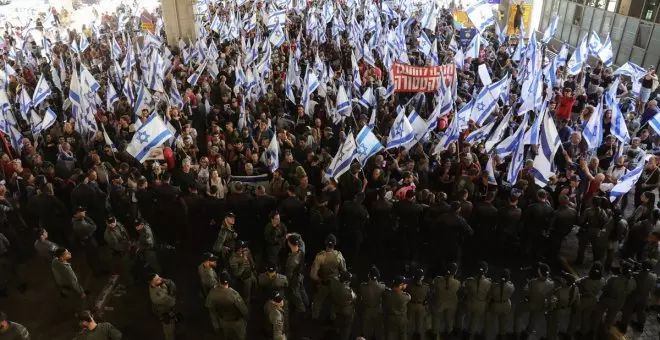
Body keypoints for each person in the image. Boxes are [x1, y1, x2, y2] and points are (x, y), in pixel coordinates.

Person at [310, 234, 346, 320]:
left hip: (324, 282)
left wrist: (319, 280)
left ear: (325, 243)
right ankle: (333, 317)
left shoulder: (320, 257)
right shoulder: (338, 256)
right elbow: (344, 271)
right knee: (334, 301)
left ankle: (314, 317)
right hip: (335, 283)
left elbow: (313, 275)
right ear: (335, 244)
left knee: (318, 301)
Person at [513, 262, 554, 338]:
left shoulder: (533, 282)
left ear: (540, 273)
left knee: (518, 312)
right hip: (541, 305)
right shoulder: (551, 284)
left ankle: (516, 331)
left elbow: (526, 292)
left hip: (531, 303)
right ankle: (528, 332)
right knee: (534, 319)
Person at [596, 260, 637, 336]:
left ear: (622, 270)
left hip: (608, 300)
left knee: (599, 311)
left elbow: (605, 288)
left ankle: (595, 325)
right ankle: (605, 331)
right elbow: (632, 289)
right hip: (619, 303)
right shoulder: (632, 282)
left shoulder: (613, 279)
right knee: (610, 318)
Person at [618, 259, 657, 334]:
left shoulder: (636, 274)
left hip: (634, 296)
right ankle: (640, 326)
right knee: (641, 312)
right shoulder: (653, 277)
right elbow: (649, 274)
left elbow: (632, 277)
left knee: (627, 310)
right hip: (644, 297)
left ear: (642, 266)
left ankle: (623, 326)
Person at [206, 270, 248, 339]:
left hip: (224, 321)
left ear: (219, 281)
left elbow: (211, 310)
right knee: (241, 337)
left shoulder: (212, 293)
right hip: (237, 321)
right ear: (229, 281)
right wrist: (246, 318)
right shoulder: (234, 294)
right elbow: (244, 310)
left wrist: (216, 326)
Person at [458, 261, 491, 339]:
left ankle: (459, 329)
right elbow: (489, 296)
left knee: (460, 313)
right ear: (486, 270)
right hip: (480, 305)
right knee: (474, 321)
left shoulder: (468, 280)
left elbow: (462, 291)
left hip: (468, 303)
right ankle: (469, 335)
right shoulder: (489, 282)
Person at [575, 262, 606, 338]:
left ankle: (581, 331)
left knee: (580, 316)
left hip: (584, 301)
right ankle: (587, 331)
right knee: (587, 315)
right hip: (594, 301)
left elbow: (577, 282)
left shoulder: (586, 280)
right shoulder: (602, 280)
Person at [546, 272, 580, 340]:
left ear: (565, 281)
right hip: (568, 309)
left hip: (558, 311)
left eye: (563, 278)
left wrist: (548, 311)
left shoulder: (559, 291)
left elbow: (553, 303)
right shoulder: (576, 288)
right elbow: (577, 300)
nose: (561, 279)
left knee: (553, 326)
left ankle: (551, 338)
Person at [51, 248, 86, 313]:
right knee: (82, 298)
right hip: (70, 286)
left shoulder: (55, 261)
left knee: (71, 296)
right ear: (61, 258)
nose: (69, 253)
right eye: (67, 253)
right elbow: (74, 283)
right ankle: (81, 311)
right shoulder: (67, 270)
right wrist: (81, 292)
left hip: (62, 284)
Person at [431, 262, 461, 338]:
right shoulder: (457, 283)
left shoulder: (437, 280)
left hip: (439, 302)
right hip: (451, 304)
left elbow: (433, 291)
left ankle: (434, 334)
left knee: (436, 319)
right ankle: (449, 333)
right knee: (449, 319)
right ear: (455, 271)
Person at [71, 206, 102, 275]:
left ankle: (97, 268)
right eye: (81, 211)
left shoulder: (76, 219)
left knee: (91, 256)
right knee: (92, 256)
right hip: (89, 240)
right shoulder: (80, 225)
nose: (84, 212)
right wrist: (86, 217)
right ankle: (97, 272)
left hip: (86, 240)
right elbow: (94, 227)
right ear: (76, 214)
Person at [486, 268, 515, 339]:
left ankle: (487, 336)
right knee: (503, 322)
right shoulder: (511, 286)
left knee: (490, 321)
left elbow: (489, 294)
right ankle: (502, 336)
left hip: (496, 305)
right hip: (506, 305)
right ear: (509, 277)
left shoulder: (494, 286)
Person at [358, 265, 386, 340]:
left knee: (366, 332)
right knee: (379, 332)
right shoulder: (382, 286)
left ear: (368, 275)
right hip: (378, 311)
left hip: (367, 310)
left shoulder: (363, 286)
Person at [103, 216, 132, 285]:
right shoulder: (108, 235)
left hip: (125, 245)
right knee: (125, 266)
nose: (112, 224)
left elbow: (125, 233)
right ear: (106, 224)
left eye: (113, 222)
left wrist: (128, 241)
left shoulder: (118, 224)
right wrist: (126, 248)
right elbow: (117, 246)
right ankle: (130, 281)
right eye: (110, 223)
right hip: (120, 251)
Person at [148, 273, 177, 340]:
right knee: (169, 332)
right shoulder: (157, 296)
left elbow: (169, 282)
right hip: (166, 314)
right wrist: (172, 290)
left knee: (172, 328)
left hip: (168, 311)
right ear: (152, 282)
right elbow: (173, 302)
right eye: (157, 279)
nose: (161, 279)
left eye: (159, 277)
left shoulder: (157, 284)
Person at [285, 233, 308, 315]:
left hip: (295, 278)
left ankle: (302, 310)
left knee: (296, 294)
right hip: (301, 274)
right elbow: (300, 239)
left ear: (289, 244)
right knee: (302, 289)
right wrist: (292, 235)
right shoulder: (302, 249)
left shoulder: (291, 260)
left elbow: (289, 275)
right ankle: (307, 303)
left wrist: (288, 283)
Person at [329, 271, 356, 340]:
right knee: (347, 327)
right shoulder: (348, 291)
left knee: (339, 324)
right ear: (347, 281)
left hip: (337, 309)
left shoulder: (334, 286)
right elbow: (354, 298)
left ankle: (337, 335)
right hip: (347, 311)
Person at [383, 275, 411, 340]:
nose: (406, 285)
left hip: (390, 318)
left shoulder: (387, 294)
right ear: (401, 285)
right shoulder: (405, 296)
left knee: (390, 335)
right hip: (402, 319)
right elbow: (409, 296)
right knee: (403, 335)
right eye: (405, 284)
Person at [406, 268, 430, 339]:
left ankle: (407, 335)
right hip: (421, 305)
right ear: (422, 277)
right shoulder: (426, 286)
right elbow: (427, 297)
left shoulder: (409, 285)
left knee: (408, 321)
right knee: (419, 322)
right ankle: (417, 335)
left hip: (410, 304)